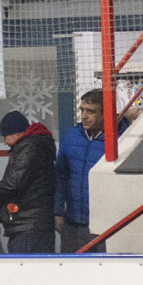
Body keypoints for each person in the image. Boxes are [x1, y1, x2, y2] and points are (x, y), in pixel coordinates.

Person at [0, 109, 59, 253]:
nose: (4, 142)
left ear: (16, 133)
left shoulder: (28, 147)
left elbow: (12, 184)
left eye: (5, 136)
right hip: (35, 224)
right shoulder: (36, 144)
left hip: (28, 226)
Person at [58, 95, 106, 253]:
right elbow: (60, 177)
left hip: (103, 227)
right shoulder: (71, 136)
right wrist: (57, 212)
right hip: (72, 224)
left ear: (105, 113)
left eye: (90, 111)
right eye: (82, 110)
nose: (84, 116)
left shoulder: (120, 139)